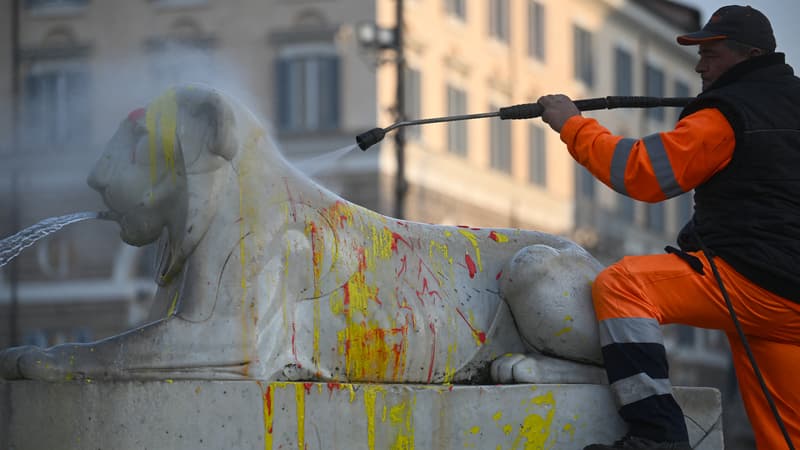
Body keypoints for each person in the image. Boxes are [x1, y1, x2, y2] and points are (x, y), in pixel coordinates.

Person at [537, 5, 800, 450]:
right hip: (789, 298)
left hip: (752, 280)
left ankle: (659, 435)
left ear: (749, 55)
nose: (700, 65)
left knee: (623, 287)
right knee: (787, 434)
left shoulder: (726, 115)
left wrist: (573, 125)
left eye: (711, 54)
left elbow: (642, 172)